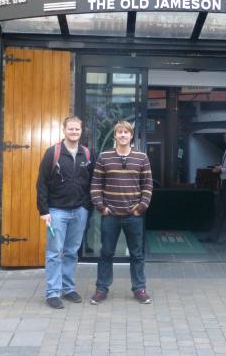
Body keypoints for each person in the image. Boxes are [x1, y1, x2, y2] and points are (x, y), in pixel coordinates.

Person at [89, 120, 154, 305]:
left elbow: (148, 184)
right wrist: (101, 207)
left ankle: (139, 288)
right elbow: (95, 185)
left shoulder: (142, 158)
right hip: (110, 215)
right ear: (115, 135)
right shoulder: (104, 157)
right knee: (106, 253)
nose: (123, 135)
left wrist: (141, 207)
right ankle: (101, 289)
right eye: (120, 132)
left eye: (126, 132)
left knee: (137, 254)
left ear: (131, 136)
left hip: (133, 215)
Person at [37, 115, 93, 309]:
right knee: (54, 253)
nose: (74, 132)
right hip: (56, 212)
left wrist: (87, 206)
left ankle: (68, 289)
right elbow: (41, 183)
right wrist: (43, 210)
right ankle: (52, 292)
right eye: (71, 129)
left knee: (71, 252)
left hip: (79, 211)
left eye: (77, 129)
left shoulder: (86, 154)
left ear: (81, 131)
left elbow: (91, 183)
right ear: (64, 130)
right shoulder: (52, 153)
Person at [200, 129, 226, 245]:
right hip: (225, 183)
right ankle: (213, 236)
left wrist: (221, 169)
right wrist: (220, 167)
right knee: (220, 210)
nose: (223, 135)